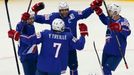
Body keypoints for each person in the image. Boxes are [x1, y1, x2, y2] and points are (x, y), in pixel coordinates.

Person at [31, 1, 102, 75]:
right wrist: (34, 12)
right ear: (59, 11)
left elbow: (84, 14)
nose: (65, 12)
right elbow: (40, 19)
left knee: (73, 66)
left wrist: (92, 8)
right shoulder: (53, 16)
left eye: (66, 9)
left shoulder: (73, 14)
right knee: (55, 68)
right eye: (62, 10)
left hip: (71, 46)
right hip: (59, 49)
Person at [8, 18, 88, 75]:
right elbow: (80, 46)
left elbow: (30, 40)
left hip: (42, 66)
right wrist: (83, 35)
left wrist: (17, 35)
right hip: (56, 68)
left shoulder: (45, 33)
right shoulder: (68, 36)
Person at [93, 3, 131, 75]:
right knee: (104, 69)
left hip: (117, 52)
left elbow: (128, 32)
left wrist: (120, 28)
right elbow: (104, 20)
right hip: (107, 50)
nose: (108, 12)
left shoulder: (123, 22)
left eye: (110, 11)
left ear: (116, 12)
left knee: (107, 69)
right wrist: (99, 12)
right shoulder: (110, 19)